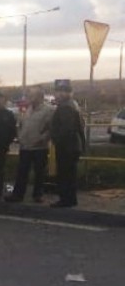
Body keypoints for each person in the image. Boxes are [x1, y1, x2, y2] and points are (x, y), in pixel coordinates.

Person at [5, 86, 55, 203]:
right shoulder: (27, 109)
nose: (29, 97)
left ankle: (37, 195)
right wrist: (20, 136)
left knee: (39, 172)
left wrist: (42, 139)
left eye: (32, 95)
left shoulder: (49, 110)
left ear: (40, 97)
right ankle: (18, 195)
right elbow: (22, 124)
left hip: (39, 147)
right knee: (22, 171)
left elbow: (51, 128)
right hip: (25, 146)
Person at [50, 80, 86, 208]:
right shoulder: (73, 104)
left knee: (65, 174)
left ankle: (66, 199)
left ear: (68, 93)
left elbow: (66, 128)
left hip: (67, 146)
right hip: (73, 145)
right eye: (58, 92)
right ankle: (70, 199)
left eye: (62, 92)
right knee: (69, 174)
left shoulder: (66, 107)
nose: (58, 94)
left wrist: (55, 138)